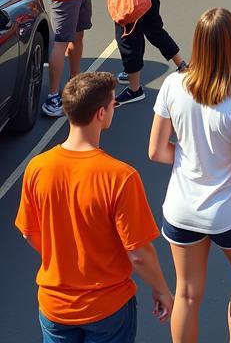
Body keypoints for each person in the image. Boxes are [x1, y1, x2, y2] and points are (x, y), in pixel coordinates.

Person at [17, 72, 174, 342]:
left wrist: (67, 257)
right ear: (101, 113)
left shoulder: (37, 168)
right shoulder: (120, 177)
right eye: (113, 105)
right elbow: (138, 253)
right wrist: (161, 290)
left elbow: (29, 232)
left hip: (55, 308)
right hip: (108, 309)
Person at [148, 9, 231, 343]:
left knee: (187, 294)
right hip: (229, 215)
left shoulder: (172, 85)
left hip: (181, 211)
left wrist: (192, 156)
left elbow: (156, 151)